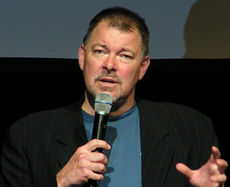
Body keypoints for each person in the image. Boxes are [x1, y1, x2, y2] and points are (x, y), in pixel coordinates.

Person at [0, 7, 228, 187]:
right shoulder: (28, 135)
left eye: (125, 56)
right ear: (82, 57)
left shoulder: (190, 128)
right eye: (100, 51)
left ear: (142, 67)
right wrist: (60, 182)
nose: (109, 65)